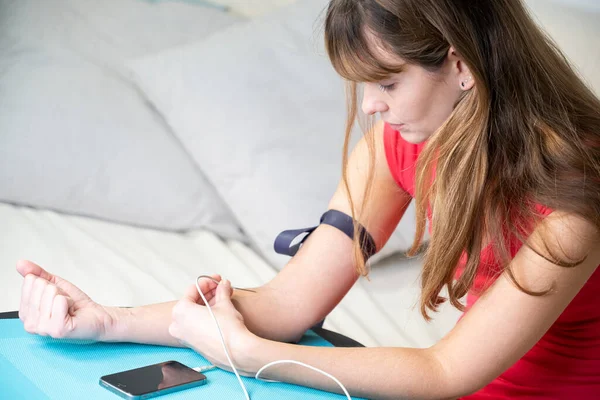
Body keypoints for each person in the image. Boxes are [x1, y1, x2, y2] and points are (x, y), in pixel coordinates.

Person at [15, 0, 600, 398]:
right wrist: (106, 321)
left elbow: (443, 370)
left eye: (388, 82)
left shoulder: (575, 201)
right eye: (364, 85)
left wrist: (248, 355)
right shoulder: (395, 149)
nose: (371, 106)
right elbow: (290, 303)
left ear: (461, 63)